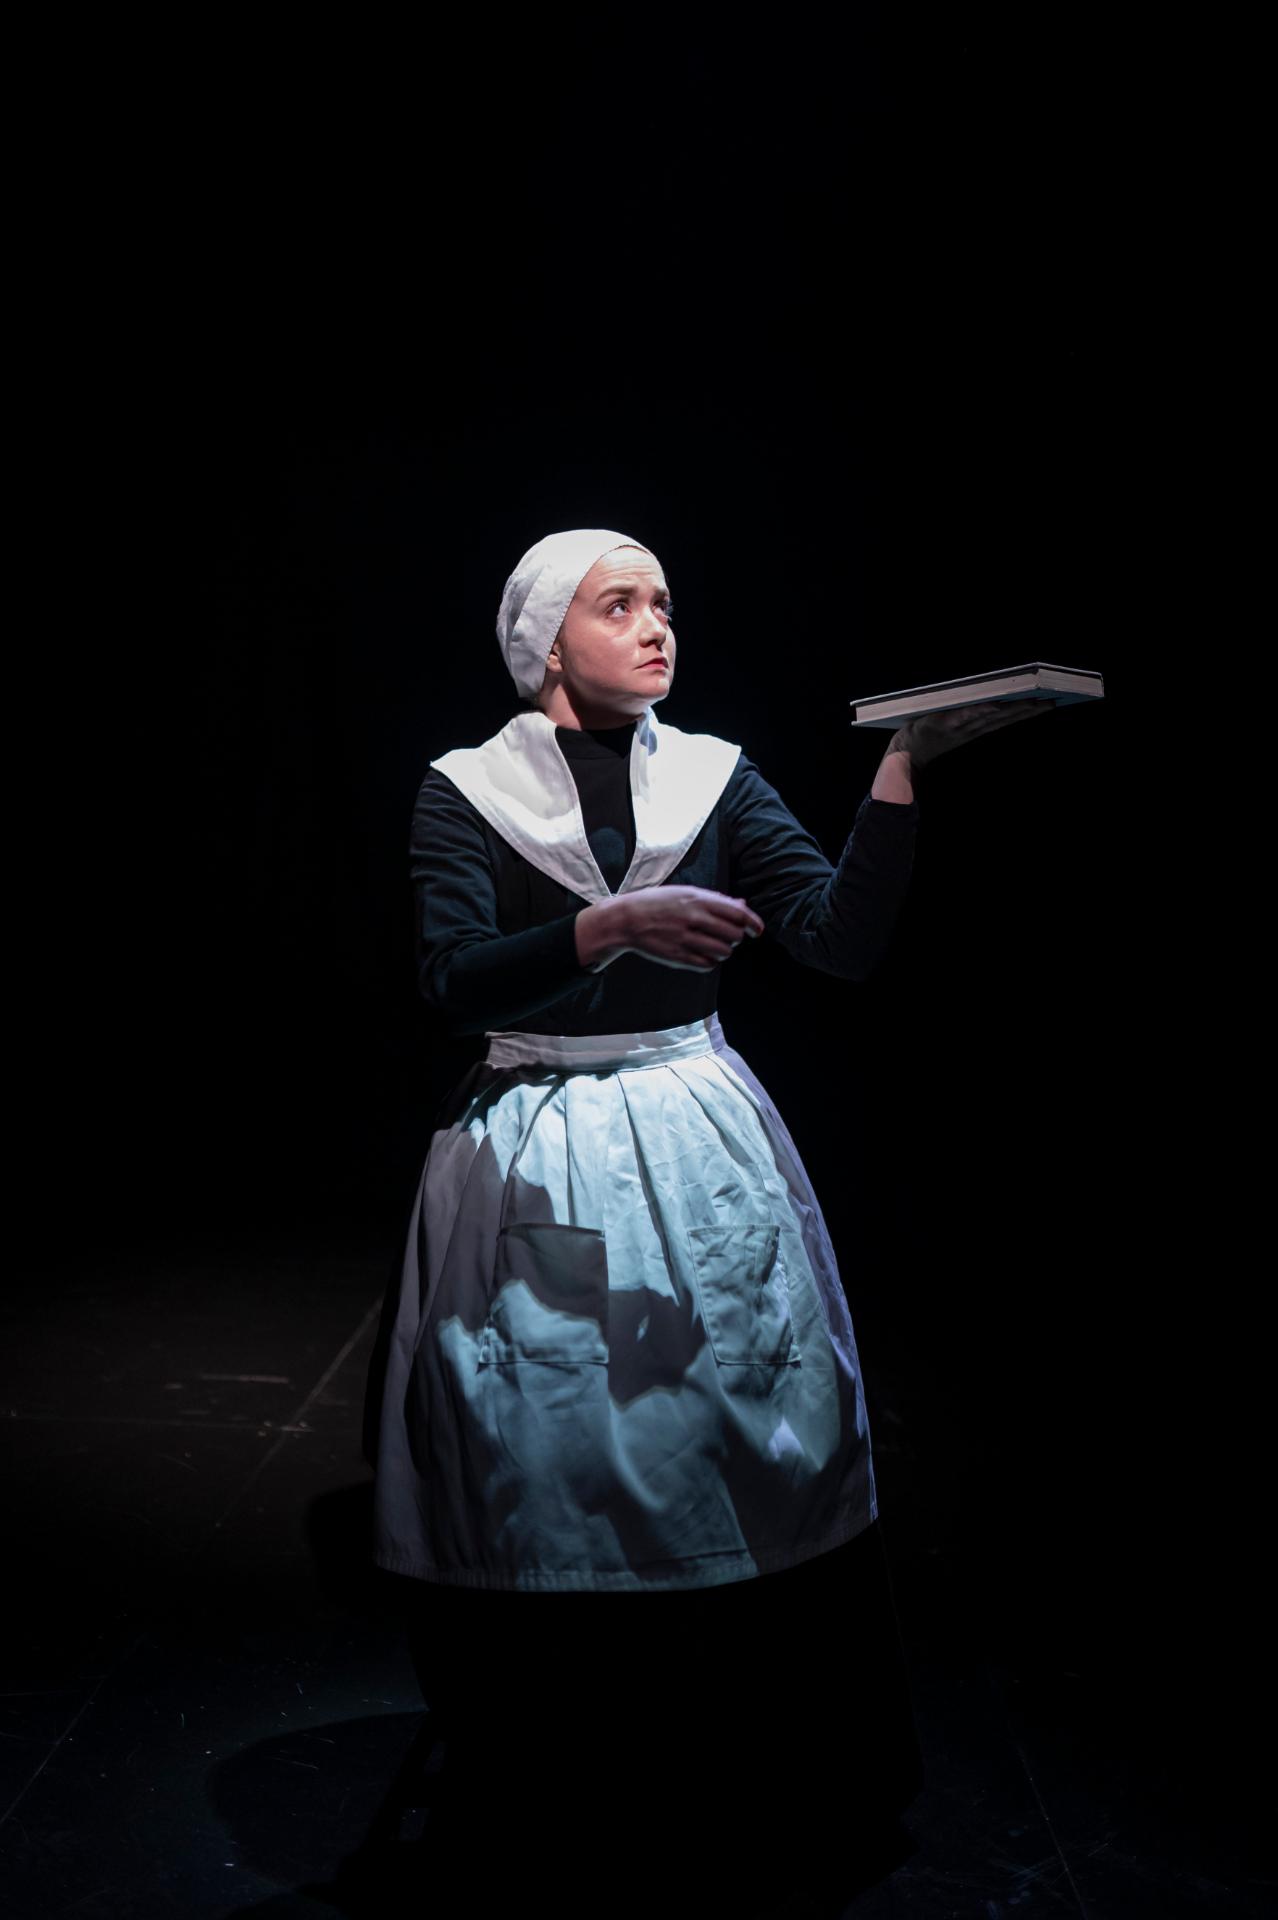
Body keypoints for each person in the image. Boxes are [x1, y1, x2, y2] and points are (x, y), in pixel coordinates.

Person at [361, 527, 1047, 1912]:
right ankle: (559, 1786)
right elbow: (450, 980)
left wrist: (903, 765)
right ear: (546, 642)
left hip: (693, 1132)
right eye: (618, 605)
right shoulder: (467, 790)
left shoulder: (714, 776)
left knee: (737, 1430)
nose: (655, 626)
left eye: (664, 603)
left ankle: (740, 1769)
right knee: (550, 1448)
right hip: (535, 1141)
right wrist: (605, 930)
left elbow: (837, 939)